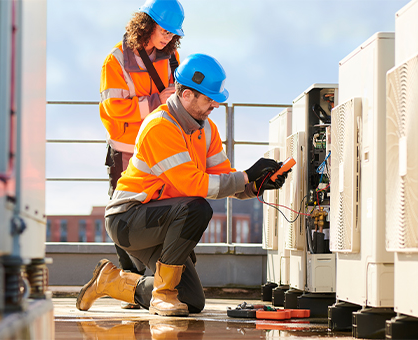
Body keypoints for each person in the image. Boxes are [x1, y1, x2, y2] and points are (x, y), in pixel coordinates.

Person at [78, 53, 288, 316]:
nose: (215, 105)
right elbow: (194, 185)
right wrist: (246, 175)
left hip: (163, 220)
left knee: (191, 301)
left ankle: (111, 281)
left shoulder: (206, 128)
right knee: (198, 208)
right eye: (209, 99)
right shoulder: (160, 127)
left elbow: (223, 176)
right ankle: (162, 295)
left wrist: (256, 185)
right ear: (187, 94)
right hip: (129, 219)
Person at [99, 0, 185, 304]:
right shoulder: (116, 60)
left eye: (172, 33)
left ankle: (144, 281)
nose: (167, 37)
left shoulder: (171, 55)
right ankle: (127, 280)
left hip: (158, 147)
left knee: (157, 209)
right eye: (164, 30)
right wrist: (156, 100)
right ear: (146, 23)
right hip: (126, 149)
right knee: (123, 214)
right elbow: (114, 107)